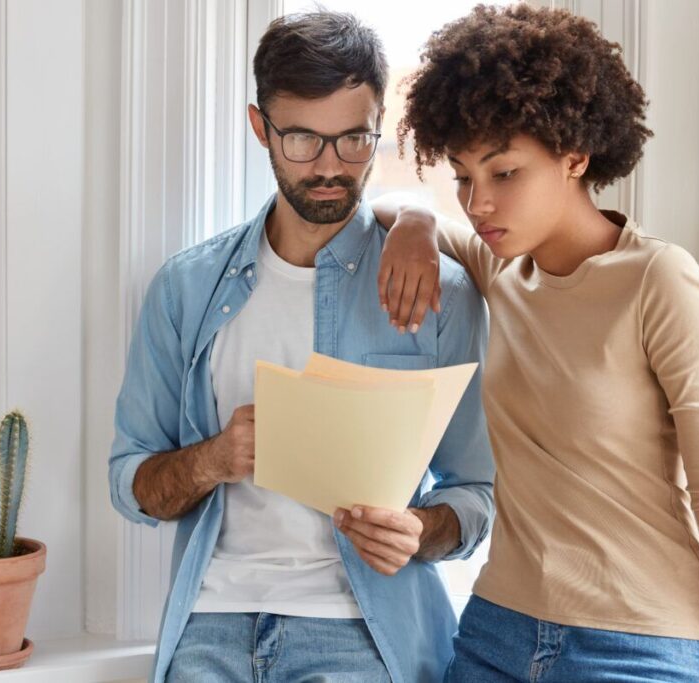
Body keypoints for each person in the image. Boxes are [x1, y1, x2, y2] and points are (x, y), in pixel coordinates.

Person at [374, 5, 699, 681]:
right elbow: (388, 203)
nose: (478, 203)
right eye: (462, 176)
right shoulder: (501, 266)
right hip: (494, 633)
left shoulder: (659, 282)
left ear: (575, 154)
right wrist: (419, 221)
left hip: (637, 646)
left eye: (504, 173)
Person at [108, 10, 494, 683]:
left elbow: (476, 495)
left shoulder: (441, 293)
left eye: (353, 140)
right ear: (260, 127)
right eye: (301, 140)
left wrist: (418, 531)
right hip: (212, 623)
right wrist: (211, 460)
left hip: (362, 634)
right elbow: (131, 484)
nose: (329, 167)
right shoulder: (186, 287)